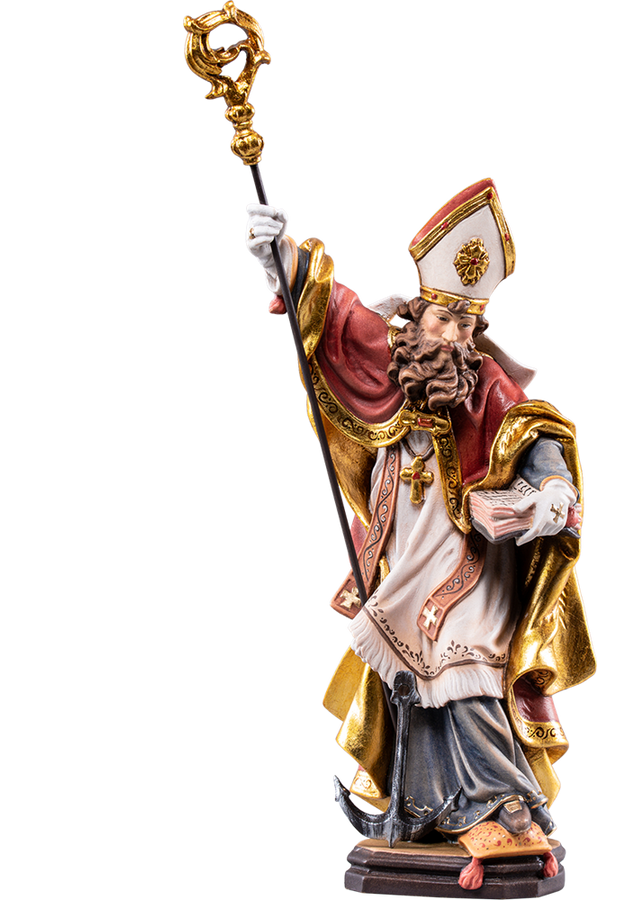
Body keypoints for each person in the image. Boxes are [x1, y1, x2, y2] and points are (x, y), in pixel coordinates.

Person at [243, 176, 597, 844]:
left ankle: (506, 800)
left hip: (471, 557)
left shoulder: (484, 382)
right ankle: (424, 805)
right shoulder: (389, 352)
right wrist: (277, 255)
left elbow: (534, 432)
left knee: (467, 656)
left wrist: (551, 492)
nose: (455, 337)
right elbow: (331, 314)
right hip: (399, 548)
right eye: (443, 320)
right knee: (406, 671)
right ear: (416, 317)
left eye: (467, 325)